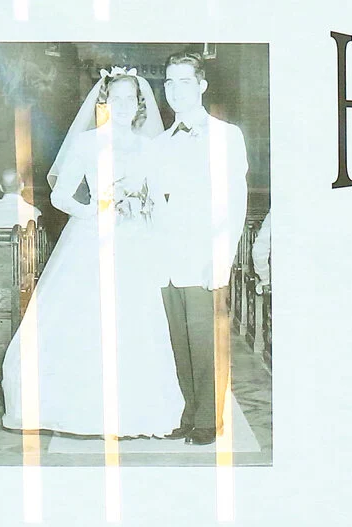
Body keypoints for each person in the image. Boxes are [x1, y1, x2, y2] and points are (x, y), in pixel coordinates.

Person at [0, 69, 187, 442]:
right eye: (116, 98)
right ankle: (80, 408)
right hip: (91, 239)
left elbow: (159, 195)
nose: (123, 105)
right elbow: (60, 195)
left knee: (135, 322)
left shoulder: (148, 147)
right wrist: (94, 209)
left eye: (129, 99)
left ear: (139, 105)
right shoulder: (87, 144)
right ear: (105, 103)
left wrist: (148, 212)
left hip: (134, 243)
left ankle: (135, 410)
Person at [151, 54, 253, 445]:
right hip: (166, 260)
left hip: (202, 258)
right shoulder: (159, 143)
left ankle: (209, 418)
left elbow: (234, 201)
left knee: (205, 341)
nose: (175, 90)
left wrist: (220, 260)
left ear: (201, 85)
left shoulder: (226, 136)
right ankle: (189, 412)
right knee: (179, 343)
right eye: (169, 82)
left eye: (184, 81)